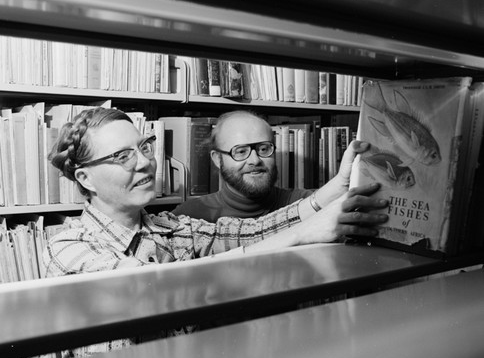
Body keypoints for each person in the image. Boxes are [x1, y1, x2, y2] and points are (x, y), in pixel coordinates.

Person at [43, 107, 388, 277]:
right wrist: (300, 237)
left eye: (144, 147)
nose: (144, 163)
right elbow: (160, 288)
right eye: (122, 156)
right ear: (85, 178)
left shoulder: (172, 228)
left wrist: (336, 188)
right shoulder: (68, 246)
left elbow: (256, 231)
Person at [172, 110, 313, 222]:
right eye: (240, 151)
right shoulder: (189, 217)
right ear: (217, 159)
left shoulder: (308, 203)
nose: (255, 160)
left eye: (263, 149)